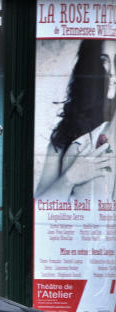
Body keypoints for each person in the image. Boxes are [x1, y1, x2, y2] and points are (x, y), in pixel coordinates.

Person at [35, 40, 116, 201]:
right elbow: (39, 206)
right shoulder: (67, 135)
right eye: (103, 61)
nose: (112, 73)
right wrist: (70, 178)